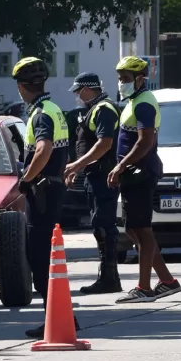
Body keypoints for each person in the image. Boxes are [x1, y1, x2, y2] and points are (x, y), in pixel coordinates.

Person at [10, 57, 75, 339]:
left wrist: (26, 180)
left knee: (39, 257)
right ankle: (63, 316)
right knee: (46, 256)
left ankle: (56, 318)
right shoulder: (54, 109)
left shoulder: (40, 115)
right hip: (52, 188)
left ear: (23, 86)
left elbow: (44, 148)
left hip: (43, 192)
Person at [108, 56, 180, 303]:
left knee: (142, 229)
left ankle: (144, 288)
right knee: (133, 228)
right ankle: (167, 281)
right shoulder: (134, 101)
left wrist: (119, 166)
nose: (121, 83)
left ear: (140, 79)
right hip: (133, 174)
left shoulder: (144, 104)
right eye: (119, 78)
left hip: (141, 173)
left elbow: (145, 141)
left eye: (126, 79)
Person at [63, 71, 123, 295]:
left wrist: (77, 165)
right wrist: (77, 169)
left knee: (104, 225)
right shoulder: (94, 110)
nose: (77, 95)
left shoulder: (103, 109)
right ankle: (107, 277)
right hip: (94, 175)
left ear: (87, 89)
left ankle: (109, 278)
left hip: (103, 176)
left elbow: (105, 143)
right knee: (100, 225)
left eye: (78, 91)